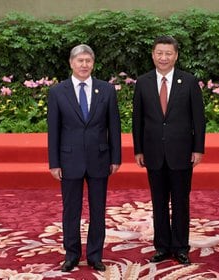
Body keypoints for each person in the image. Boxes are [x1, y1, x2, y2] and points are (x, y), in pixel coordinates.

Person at [132, 35, 206, 265]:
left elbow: (199, 119)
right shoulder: (142, 83)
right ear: (153, 55)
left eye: (168, 53)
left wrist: (198, 149)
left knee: (181, 201)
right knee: (159, 201)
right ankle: (162, 246)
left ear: (176, 55)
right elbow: (137, 120)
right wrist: (138, 150)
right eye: (159, 53)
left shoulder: (189, 82)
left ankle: (181, 247)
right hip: (153, 152)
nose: (164, 57)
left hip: (181, 152)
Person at [47, 44, 121, 272]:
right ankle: (71, 254)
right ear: (71, 63)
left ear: (93, 63)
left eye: (88, 60)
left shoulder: (106, 90)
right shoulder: (58, 92)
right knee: (71, 210)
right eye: (80, 60)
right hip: (70, 160)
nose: (84, 65)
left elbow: (114, 127)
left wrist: (116, 157)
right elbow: (54, 130)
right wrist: (54, 162)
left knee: (98, 209)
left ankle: (95, 255)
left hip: (99, 158)